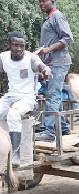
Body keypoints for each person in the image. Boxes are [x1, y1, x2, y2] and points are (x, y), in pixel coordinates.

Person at [0, 32, 51, 166]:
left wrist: (46, 70)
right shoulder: (3, 57)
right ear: (9, 45)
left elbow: (41, 66)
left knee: (13, 114)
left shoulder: (31, 58)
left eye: (22, 46)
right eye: (15, 45)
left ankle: (15, 155)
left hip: (27, 98)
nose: (18, 48)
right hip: (10, 95)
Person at [34, 0, 73, 142]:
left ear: (53, 1)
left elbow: (68, 38)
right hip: (51, 63)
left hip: (59, 62)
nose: (41, 4)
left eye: (44, 1)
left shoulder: (57, 16)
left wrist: (47, 49)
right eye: (39, 1)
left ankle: (49, 131)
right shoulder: (49, 18)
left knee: (52, 96)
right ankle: (63, 128)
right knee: (55, 95)